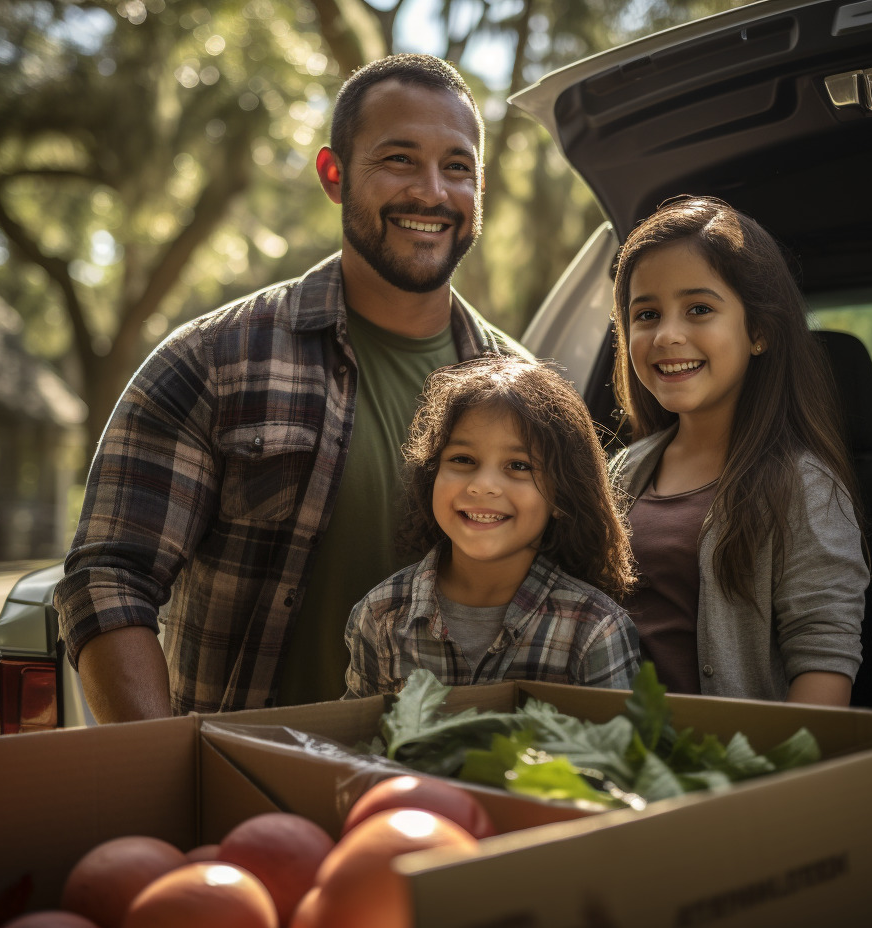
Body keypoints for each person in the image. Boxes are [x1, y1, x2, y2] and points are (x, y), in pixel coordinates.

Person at [54, 54, 527, 721]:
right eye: (398, 160)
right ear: (334, 176)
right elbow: (108, 579)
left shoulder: (530, 394)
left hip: (457, 796)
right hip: (250, 791)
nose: (432, 192)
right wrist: (168, 770)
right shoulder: (213, 360)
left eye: (457, 167)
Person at [607, 195, 868, 707]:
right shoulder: (622, 471)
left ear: (760, 331)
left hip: (729, 774)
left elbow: (824, 663)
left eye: (699, 309)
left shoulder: (804, 486)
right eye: (647, 314)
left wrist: (768, 786)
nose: (668, 334)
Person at [343, 355, 640, 697]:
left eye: (518, 465)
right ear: (431, 474)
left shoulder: (595, 630)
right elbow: (358, 743)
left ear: (561, 496)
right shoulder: (380, 615)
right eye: (463, 460)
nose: (483, 486)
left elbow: (617, 749)